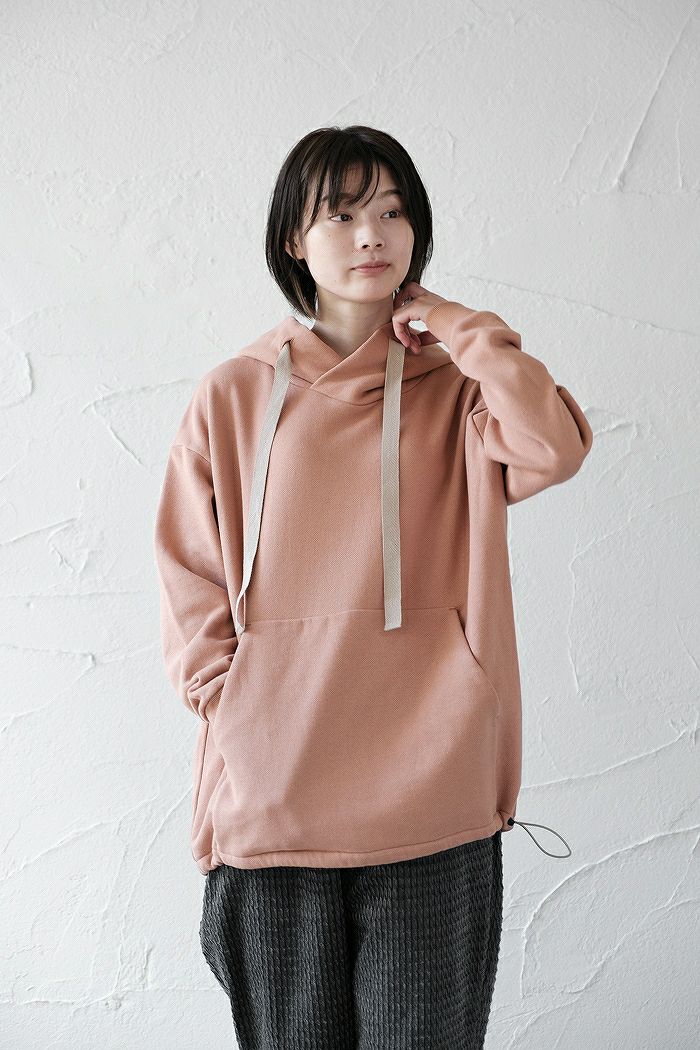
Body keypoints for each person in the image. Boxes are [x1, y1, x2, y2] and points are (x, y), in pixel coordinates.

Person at [153, 124, 592, 1048]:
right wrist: (236, 702)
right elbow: (188, 577)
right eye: (343, 214)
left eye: (393, 213)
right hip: (273, 800)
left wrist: (462, 328)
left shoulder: (460, 389)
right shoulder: (233, 395)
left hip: (434, 794)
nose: (372, 236)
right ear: (293, 238)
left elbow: (552, 447)